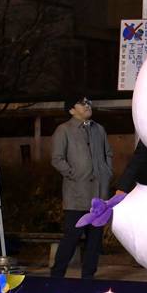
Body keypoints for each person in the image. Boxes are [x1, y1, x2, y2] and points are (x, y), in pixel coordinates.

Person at [50, 95, 113, 278]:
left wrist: (107, 172)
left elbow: (108, 153)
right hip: (76, 195)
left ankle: (88, 278)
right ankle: (57, 276)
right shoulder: (63, 130)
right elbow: (57, 158)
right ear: (71, 110)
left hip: (99, 196)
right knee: (71, 238)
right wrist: (73, 173)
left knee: (95, 241)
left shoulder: (98, 129)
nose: (87, 105)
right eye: (82, 103)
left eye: (88, 102)